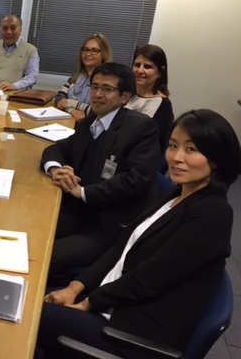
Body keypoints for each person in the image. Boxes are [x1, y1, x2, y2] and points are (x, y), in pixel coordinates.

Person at [37, 109, 240, 358]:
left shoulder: (212, 215)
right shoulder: (177, 194)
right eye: (173, 146)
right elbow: (121, 249)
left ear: (217, 158)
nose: (176, 157)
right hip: (109, 300)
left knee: (25, 314)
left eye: (191, 149)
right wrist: (74, 287)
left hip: (127, 333)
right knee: (29, 295)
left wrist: (87, 303)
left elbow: (148, 279)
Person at [41, 62, 159, 287]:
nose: (97, 94)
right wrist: (56, 169)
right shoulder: (89, 123)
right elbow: (57, 149)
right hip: (81, 211)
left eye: (107, 89)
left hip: (109, 224)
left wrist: (83, 192)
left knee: (47, 255)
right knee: (34, 231)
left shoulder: (141, 128)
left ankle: (70, 293)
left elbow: (135, 181)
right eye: (94, 87)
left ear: (125, 97)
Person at [125, 44, 174, 153]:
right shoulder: (124, 95)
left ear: (160, 72)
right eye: (137, 65)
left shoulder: (163, 105)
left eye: (147, 67)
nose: (140, 70)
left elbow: (155, 146)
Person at [54, 33, 112, 122]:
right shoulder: (76, 76)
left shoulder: (107, 81)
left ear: (103, 54)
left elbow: (99, 111)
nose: (88, 54)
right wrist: (70, 109)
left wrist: (71, 103)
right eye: (85, 49)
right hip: (69, 121)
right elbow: (59, 97)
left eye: (94, 50)